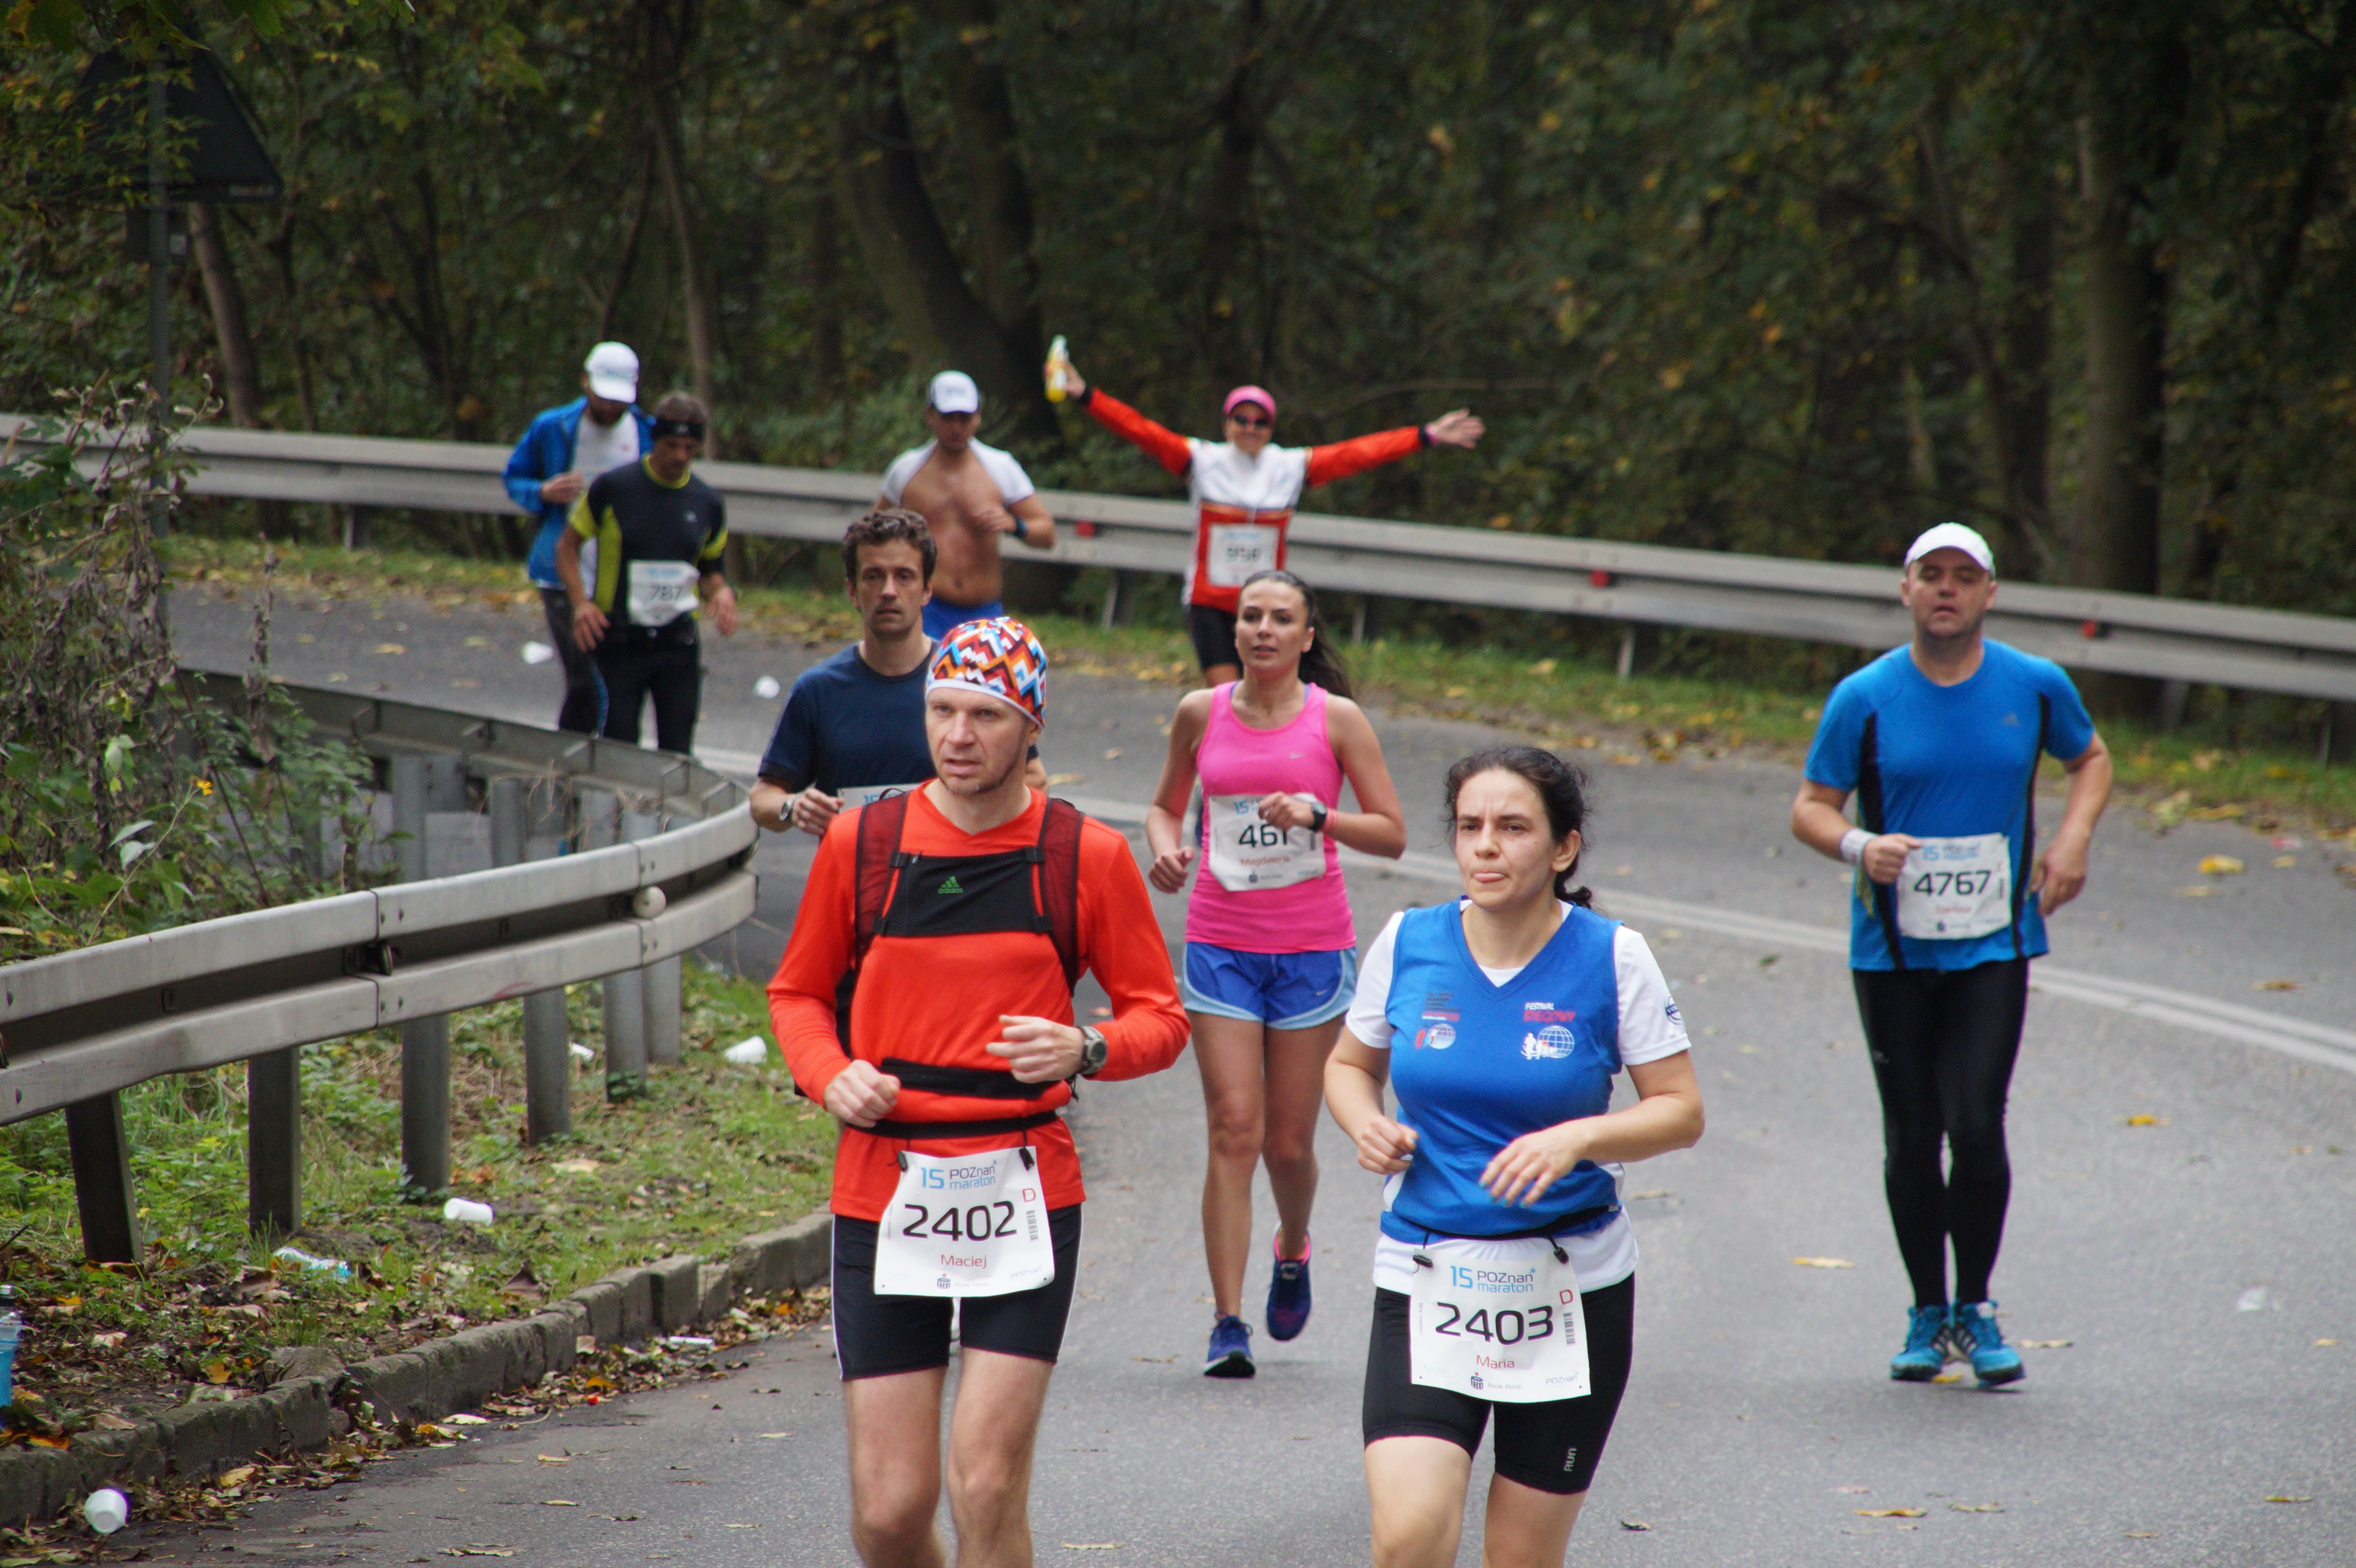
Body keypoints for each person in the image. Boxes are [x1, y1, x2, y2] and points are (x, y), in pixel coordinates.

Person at [768, 617, 1189, 1568]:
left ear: (1029, 727)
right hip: (886, 1184)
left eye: (986, 717)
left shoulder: (1086, 854)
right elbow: (796, 992)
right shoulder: (862, 843)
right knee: (887, 1511)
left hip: (1025, 1187)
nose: (959, 736)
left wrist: (1086, 1046)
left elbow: (1160, 1018)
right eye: (943, 711)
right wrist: (829, 1073)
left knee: (986, 1485)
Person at [1325, 746, 1703, 1568]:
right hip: (1428, 1271)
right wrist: (1364, 1121)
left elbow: (1681, 1110)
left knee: (1521, 1557)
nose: (1485, 846)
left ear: (1563, 847)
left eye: (1512, 827)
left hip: (1570, 1284)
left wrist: (1580, 1136)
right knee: (1410, 1534)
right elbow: (1350, 1064)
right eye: (1469, 827)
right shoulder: (1408, 940)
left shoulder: (1613, 955)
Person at [1789, 522, 2112, 1387]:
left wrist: (2073, 841)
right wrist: (1860, 845)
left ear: (1988, 593)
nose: (1945, 590)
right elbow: (1811, 807)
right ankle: (1925, 1311)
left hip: (1994, 943)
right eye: (1929, 575)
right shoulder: (1863, 696)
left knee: (1975, 1123)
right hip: (1890, 950)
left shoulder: (2033, 685)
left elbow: (2090, 758)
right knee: (1911, 1134)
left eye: (1962, 577)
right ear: (1904, 590)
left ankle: (1976, 1306)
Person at [1142, 569, 1406, 1377]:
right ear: (1236, 630)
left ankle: (1293, 1249)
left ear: (1305, 636)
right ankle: (1228, 1322)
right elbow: (1163, 805)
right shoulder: (1200, 712)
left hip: (1310, 952)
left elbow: (1392, 833)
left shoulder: (1338, 720)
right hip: (1220, 945)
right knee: (1235, 1130)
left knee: (1290, 1143)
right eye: (1250, 615)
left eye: (1279, 618)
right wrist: (1164, 846)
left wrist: (1319, 815)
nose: (1261, 628)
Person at [1054, 357, 1484, 684]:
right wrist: (1084, 394)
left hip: (1265, 605)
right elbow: (1139, 429)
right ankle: (1212, 796)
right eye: (1240, 419)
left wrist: (1425, 436)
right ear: (1226, 423)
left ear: (1271, 427)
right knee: (1224, 697)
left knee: (1265, 695)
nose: (1250, 427)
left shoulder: (1288, 466)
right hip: (1211, 602)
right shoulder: (1202, 460)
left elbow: (1359, 453)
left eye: (1260, 421)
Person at [554, 392, 738, 755]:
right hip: (619, 642)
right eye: (672, 445)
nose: (680, 457)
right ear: (655, 438)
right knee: (620, 750)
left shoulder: (707, 502)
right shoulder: (615, 488)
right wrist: (580, 604)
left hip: (677, 645)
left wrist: (721, 593)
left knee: (678, 754)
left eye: (690, 448)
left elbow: (710, 571)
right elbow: (566, 548)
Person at [750, 509, 940, 839]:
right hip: (849, 883)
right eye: (874, 576)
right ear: (853, 592)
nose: (889, 591)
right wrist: (793, 806)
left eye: (905, 576)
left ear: (927, 590)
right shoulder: (820, 690)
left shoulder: (965, 679)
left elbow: (1029, 780)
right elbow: (763, 798)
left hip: (944, 884)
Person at [503, 341, 656, 733]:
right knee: (586, 677)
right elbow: (515, 477)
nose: (609, 409)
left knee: (618, 678)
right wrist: (543, 492)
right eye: (602, 398)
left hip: (621, 575)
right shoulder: (553, 427)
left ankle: (604, 764)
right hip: (561, 570)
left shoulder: (646, 432)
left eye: (618, 401)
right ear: (585, 383)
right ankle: (569, 770)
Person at [879, 370, 1057, 639]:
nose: (957, 428)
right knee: (926, 681)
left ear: (979, 417)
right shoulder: (906, 470)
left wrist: (1014, 525)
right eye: (948, 418)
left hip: (983, 613)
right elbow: (872, 534)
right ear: (930, 416)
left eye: (965, 418)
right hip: (925, 609)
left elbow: (1047, 534)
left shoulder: (1000, 467)